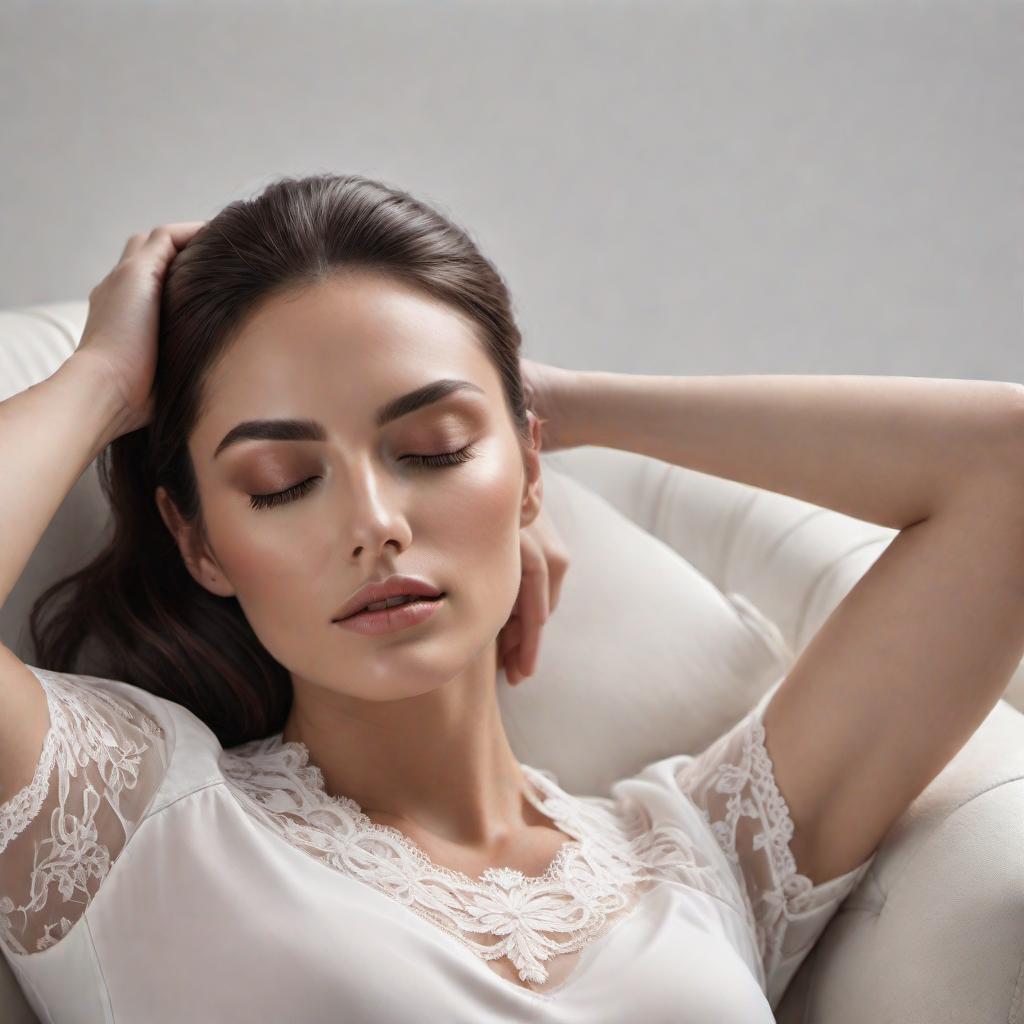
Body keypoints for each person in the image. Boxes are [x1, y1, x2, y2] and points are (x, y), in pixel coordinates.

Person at [2, 173, 1022, 1023]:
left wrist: (555, 406)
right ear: (201, 540)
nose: (376, 520)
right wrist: (99, 377)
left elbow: (1004, 471)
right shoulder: (140, 823)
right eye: (282, 481)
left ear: (526, 473)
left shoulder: (699, 854)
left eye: (433, 448)